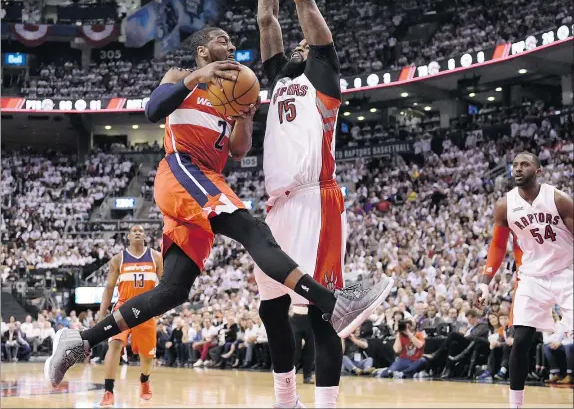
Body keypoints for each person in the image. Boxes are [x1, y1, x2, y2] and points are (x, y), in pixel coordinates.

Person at [45, 32, 391, 389]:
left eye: (230, 43)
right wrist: (196, 77)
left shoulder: (227, 97)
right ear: (202, 51)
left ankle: (80, 340)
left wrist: (244, 117)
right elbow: (153, 110)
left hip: (206, 180)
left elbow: (239, 151)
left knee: (174, 290)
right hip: (182, 169)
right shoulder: (181, 76)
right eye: (222, 40)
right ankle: (331, 302)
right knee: (253, 230)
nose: (230, 46)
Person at [253, 0, 392, 408]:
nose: (291, 45)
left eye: (302, 44)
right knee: (272, 311)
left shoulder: (324, 74)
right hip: (278, 205)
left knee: (318, 314)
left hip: (318, 200)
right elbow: (266, 15)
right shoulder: (279, 79)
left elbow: (302, 0)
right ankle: (285, 399)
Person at [476, 152, 573, 408]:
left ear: (538, 171)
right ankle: (515, 405)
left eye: (525, 164)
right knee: (520, 340)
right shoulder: (505, 205)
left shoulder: (558, 199)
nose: (518, 169)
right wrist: (485, 280)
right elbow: (498, 245)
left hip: (566, 271)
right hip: (531, 275)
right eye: (515, 165)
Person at [98, 225, 163, 406]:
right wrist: (101, 313)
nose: (137, 233)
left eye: (140, 231)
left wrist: (162, 305)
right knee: (115, 345)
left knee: (147, 356)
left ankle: (144, 380)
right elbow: (109, 288)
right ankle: (108, 391)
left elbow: (164, 285)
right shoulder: (118, 259)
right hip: (123, 307)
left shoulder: (156, 257)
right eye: (134, 231)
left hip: (146, 309)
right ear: (128, 236)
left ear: (145, 236)